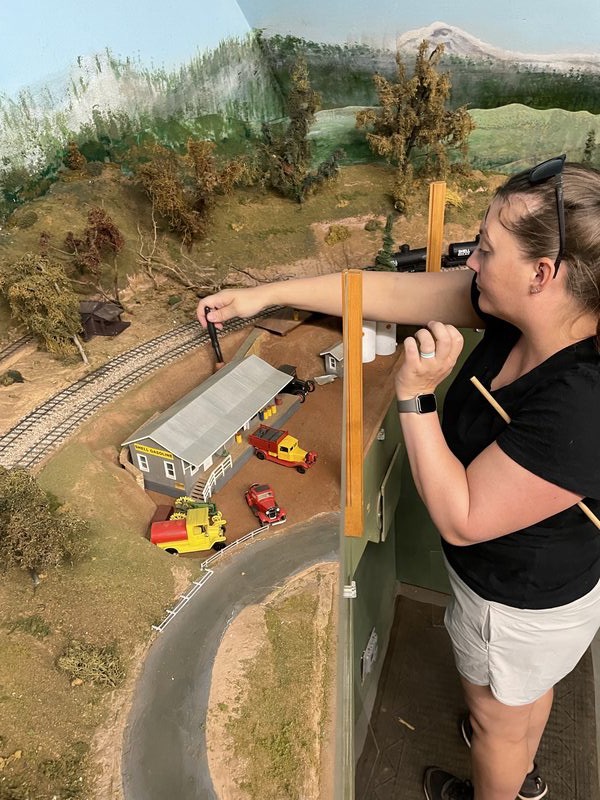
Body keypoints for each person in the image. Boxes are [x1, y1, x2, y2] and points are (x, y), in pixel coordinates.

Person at [198, 155, 600, 800]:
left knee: (498, 715)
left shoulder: (583, 400)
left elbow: (462, 517)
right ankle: (521, 775)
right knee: (522, 696)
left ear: (542, 273)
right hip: (534, 596)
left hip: (517, 600)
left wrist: (415, 396)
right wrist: (268, 294)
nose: (470, 261)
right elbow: (385, 292)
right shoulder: (520, 309)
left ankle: (501, 778)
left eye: (486, 249)